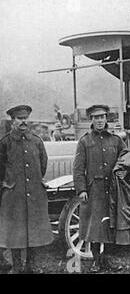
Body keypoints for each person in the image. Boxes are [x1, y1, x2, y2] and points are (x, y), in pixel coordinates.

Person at [0, 105, 54, 274]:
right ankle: (17, 266)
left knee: (34, 230)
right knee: (15, 232)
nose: (23, 122)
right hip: (14, 195)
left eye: (25, 118)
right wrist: (8, 184)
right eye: (19, 119)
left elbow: (43, 164)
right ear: (12, 121)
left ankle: (31, 265)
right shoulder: (5, 143)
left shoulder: (36, 141)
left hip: (34, 194)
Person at [73, 105, 126, 273]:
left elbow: (126, 161)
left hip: (112, 189)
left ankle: (107, 260)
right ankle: (96, 261)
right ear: (92, 120)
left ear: (106, 119)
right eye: (96, 118)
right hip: (94, 190)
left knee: (111, 224)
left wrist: (124, 178)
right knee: (95, 227)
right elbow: (78, 168)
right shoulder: (85, 141)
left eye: (102, 117)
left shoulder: (116, 140)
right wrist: (81, 189)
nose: (100, 120)